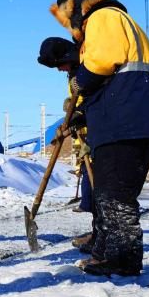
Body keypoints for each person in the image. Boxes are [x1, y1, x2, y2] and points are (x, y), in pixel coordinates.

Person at [49, 0, 149, 277]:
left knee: (116, 196)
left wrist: (82, 79)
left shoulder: (104, 16)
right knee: (107, 192)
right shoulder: (116, 21)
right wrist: (81, 117)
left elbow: (103, 61)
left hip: (125, 124)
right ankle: (106, 250)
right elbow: (109, 82)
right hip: (124, 121)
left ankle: (123, 258)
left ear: (75, 8)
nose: (72, 29)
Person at [37, 36, 95, 253]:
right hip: (86, 131)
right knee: (91, 184)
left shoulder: (86, 68)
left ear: (67, 57)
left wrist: (77, 114)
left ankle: (101, 234)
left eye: (58, 65)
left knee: (98, 186)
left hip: (97, 130)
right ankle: (98, 232)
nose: (59, 70)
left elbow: (93, 100)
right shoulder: (74, 71)